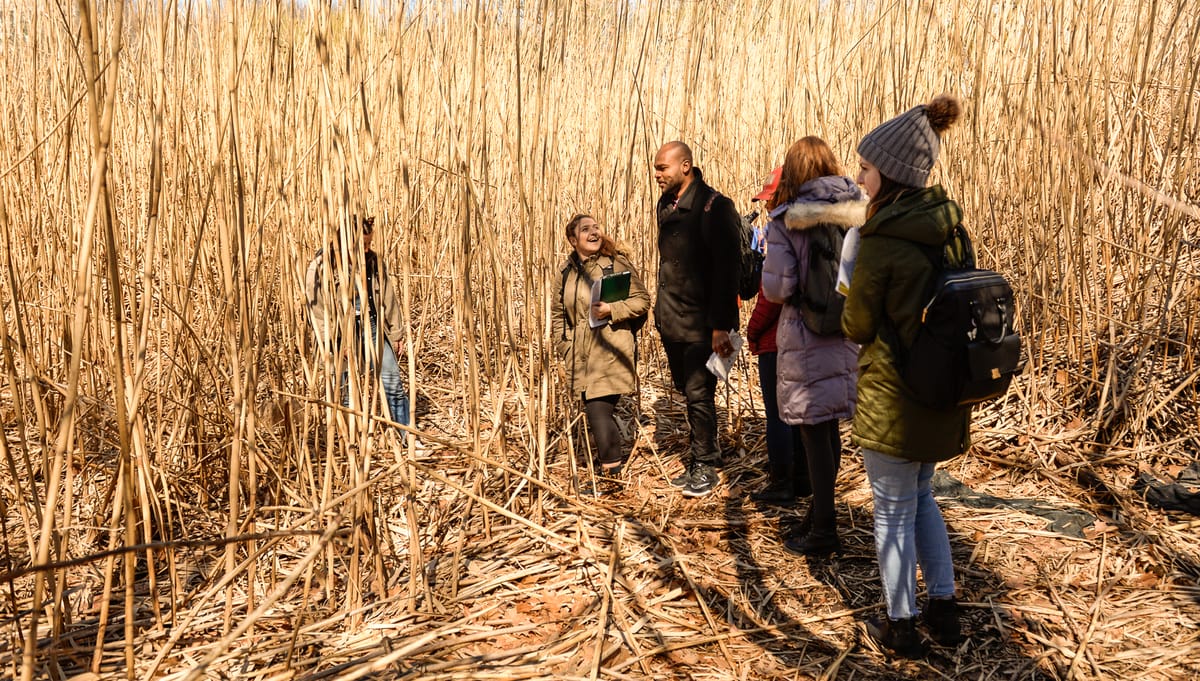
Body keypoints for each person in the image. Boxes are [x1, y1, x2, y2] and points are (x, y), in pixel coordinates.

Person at [842, 94, 969, 657]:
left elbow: (858, 322)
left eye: (866, 167)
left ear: (889, 173)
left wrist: (845, 298)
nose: (859, 175)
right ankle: (944, 608)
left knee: (892, 511)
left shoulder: (881, 240)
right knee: (922, 498)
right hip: (941, 391)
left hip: (893, 395)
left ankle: (902, 624)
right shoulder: (951, 228)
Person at [760, 138, 866, 556]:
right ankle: (820, 515)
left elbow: (778, 287)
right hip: (847, 330)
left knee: (813, 433)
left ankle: (824, 528)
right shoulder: (857, 211)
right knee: (830, 425)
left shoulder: (785, 220)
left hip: (806, 333)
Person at [652, 141, 742, 498]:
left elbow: (727, 271)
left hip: (704, 321)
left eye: (663, 168)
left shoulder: (715, 207)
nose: (657, 174)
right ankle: (705, 453)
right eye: (656, 168)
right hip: (673, 316)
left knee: (698, 393)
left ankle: (705, 463)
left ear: (685, 166)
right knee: (686, 390)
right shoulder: (665, 203)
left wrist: (721, 324)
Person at [550, 214, 650, 496]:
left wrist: (612, 310)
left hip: (610, 350)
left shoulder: (615, 264)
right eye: (586, 229)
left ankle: (612, 479)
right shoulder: (566, 273)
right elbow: (558, 314)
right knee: (593, 410)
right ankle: (610, 470)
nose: (594, 232)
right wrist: (564, 346)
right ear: (573, 239)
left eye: (596, 227)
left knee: (598, 411)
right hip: (579, 354)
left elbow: (642, 300)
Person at [305, 214, 411, 435]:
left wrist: (396, 333)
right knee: (341, 392)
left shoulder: (373, 262)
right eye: (361, 244)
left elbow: (389, 298)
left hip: (372, 326)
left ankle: (407, 437)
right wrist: (335, 342)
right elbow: (318, 313)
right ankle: (348, 442)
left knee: (394, 385)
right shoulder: (320, 268)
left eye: (369, 243)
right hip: (340, 333)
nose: (366, 249)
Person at [745, 167, 813, 507]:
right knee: (800, 414)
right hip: (805, 340)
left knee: (778, 415)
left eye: (770, 199)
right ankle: (804, 480)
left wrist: (752, 331)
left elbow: (769, 295)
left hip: (776, 341)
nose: (767, 206)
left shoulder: (781, 235)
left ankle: (782, 482)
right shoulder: (814, 231)